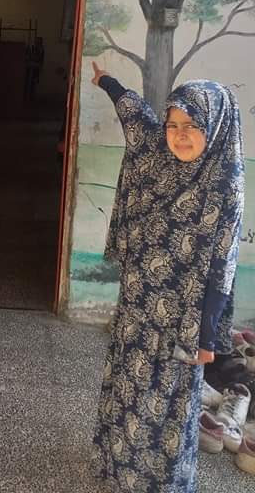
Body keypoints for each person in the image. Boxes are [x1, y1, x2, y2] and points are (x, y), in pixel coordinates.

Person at [89, 61, 244, 493]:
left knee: (169, 404)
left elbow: (223, 266)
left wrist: (208, 338)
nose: (178, 134)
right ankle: (119, 468)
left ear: (214, 126)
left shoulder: (223, 186)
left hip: (183, 321)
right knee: (128, 386)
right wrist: (106, 82)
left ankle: (161, 483)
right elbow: (134, 113)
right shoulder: (158, 153)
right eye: (173, 124)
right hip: (137, 306)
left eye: (192, 125)